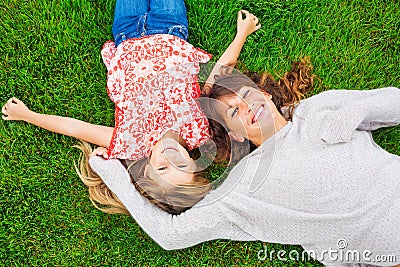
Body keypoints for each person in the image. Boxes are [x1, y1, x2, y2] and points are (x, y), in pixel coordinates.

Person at [87, 67, 400, 266]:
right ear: (235, 134)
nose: (247, 107)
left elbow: (394, 104)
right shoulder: (245, 184)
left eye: (248, 95)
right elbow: (171, 234)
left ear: (264, 94)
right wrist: (112, 174)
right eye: (233, 111)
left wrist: (357, 111)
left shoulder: (318, 109)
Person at [1, 0, 261, 215]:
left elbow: (75, 128)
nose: (171, 160)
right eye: (182, 167)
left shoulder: (131, 142)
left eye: (162, 169)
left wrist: (28, 115)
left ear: (146, 170)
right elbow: (216, 75)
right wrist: (242, 34)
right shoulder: (198, 128)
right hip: (169, 28)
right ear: (195, 162)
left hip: (125, 33)